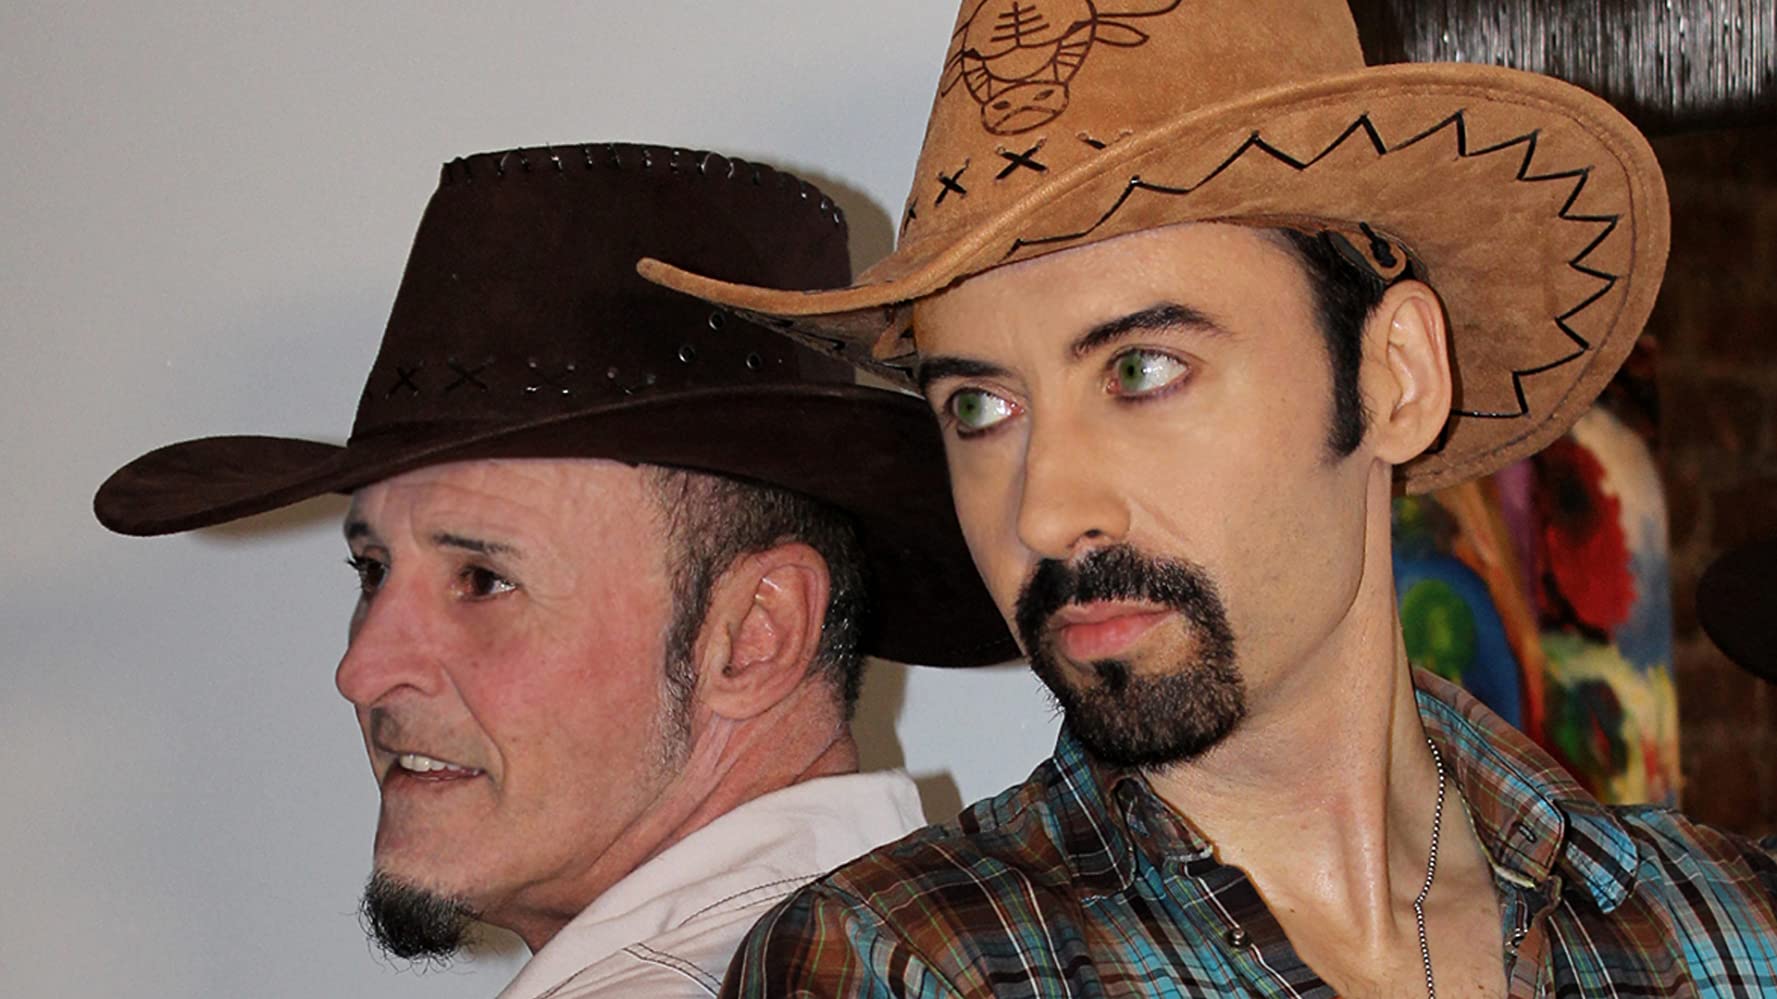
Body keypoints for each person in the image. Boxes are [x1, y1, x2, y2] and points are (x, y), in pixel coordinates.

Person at [641, 1, 1777, 994]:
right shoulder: (909, 962)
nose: (1044, 514)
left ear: (1395, 377)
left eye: (1140, 370)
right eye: (979, 408)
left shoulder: (1727, 925)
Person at [93, 142, 1016, 998]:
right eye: (371, 569)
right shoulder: (943, 951)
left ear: (753, 634)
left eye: (482, 579)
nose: (362, 669)